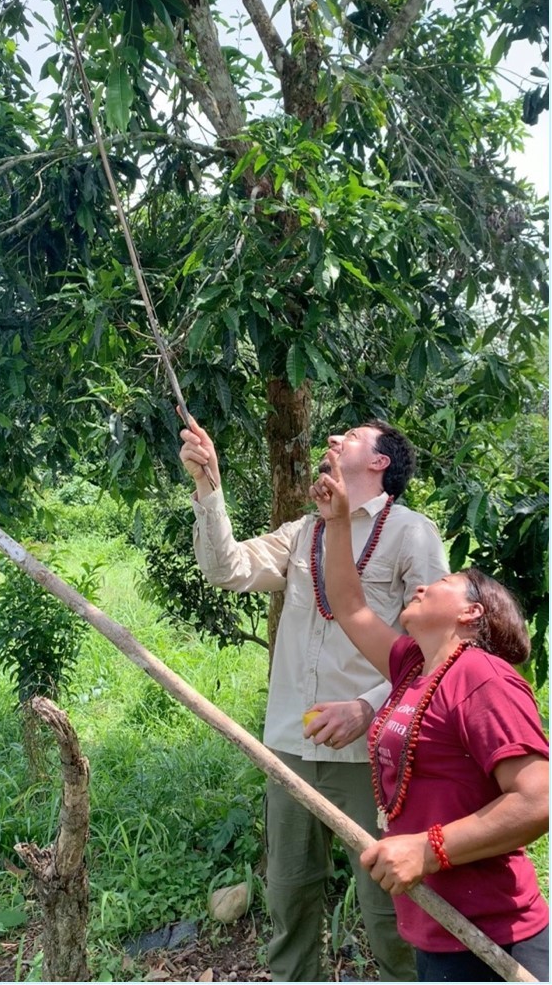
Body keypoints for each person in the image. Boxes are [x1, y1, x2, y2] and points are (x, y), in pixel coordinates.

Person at [178, 410, 450, 982]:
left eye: (349, 437)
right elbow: (227, 569)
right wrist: (209, 485)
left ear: (380, 462)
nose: (332, 438)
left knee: (387, 911)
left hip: (370, 755)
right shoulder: (306, 531)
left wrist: (368, 707)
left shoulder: (412, 532)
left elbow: (437, 644)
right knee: (290, 896)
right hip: (291, 749)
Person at [309, 450, 549, 982]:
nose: (421, 585)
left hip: (492, 936)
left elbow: (539, 799)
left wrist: (428, 848)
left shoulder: (483, 678)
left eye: (441, 585)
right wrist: (340, 521)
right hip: (433, 923)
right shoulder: (413, 667)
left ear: (470, 613)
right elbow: (349, 605)